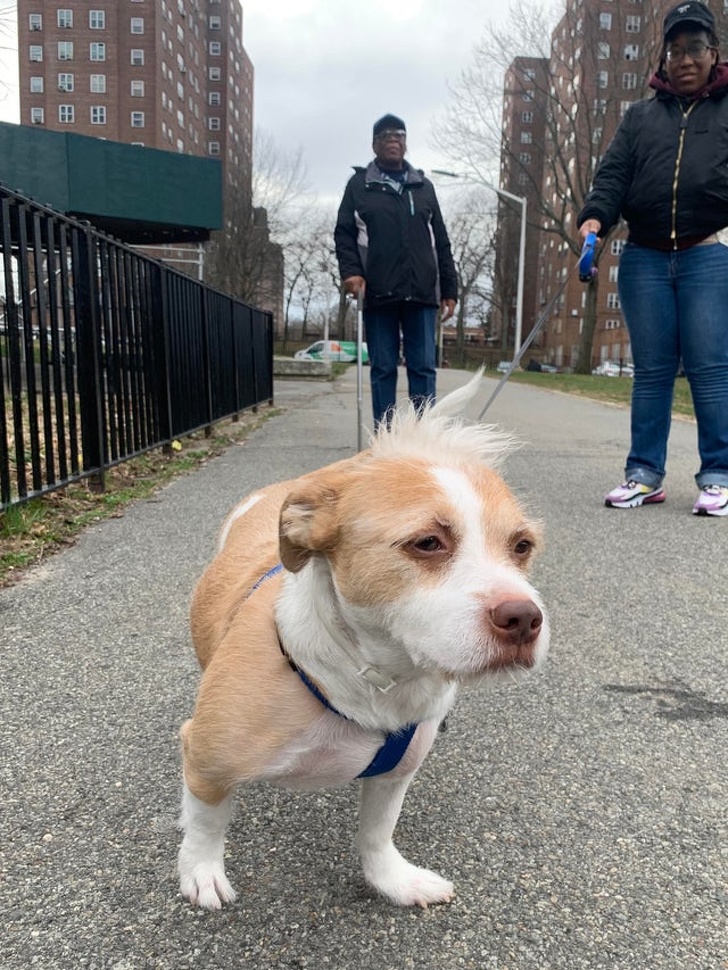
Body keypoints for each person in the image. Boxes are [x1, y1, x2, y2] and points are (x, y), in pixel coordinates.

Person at [578, 0, 728, 517]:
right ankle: (643, 474)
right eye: (675, 50)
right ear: (663, 58)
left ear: (714, 52)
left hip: (709, 252)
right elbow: (613, 174)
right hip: (643, 256)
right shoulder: (641, 116)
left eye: (695, 49)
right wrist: (595, 219)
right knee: (652, 371)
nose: (684, 60)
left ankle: (719, 475)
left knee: (711, 369)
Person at [334, 114, 458, 427]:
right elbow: (344, 233)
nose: (393, 140)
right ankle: (385, 438)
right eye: (386, 135)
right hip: (378, 290)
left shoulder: (423, 185)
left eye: (399, 135)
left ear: (405, 142)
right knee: (383, 367)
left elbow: (441, 240)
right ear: (374, 144)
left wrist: (450, 290)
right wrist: (351, 272)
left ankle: (423, 437)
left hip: (421, 292)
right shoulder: (359, 185)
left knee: (423, 368)